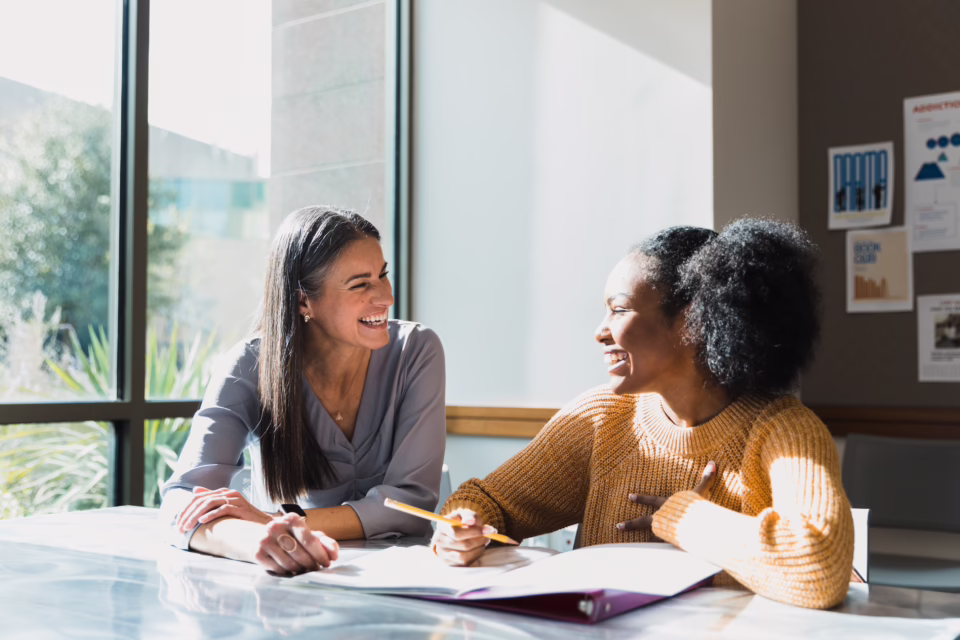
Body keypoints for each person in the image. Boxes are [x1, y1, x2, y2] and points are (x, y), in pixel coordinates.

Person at [432, 219, 854, 610]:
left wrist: (684, 517)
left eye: (619, 309)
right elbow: (489, 502)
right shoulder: (601, 418)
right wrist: (462, 528)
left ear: (693, 320)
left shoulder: (784, 430)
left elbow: (820, 567)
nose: (600, 331)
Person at [160, 206, 446, 576]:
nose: (386, 297)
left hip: (405, 582)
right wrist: (259, 542)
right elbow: (182, 503)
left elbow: (409, 505)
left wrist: (277, 521)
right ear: (303, 301)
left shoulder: (417, 350)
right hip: (294, 582)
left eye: (382, 275)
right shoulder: (250, 366)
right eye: (361, 284)